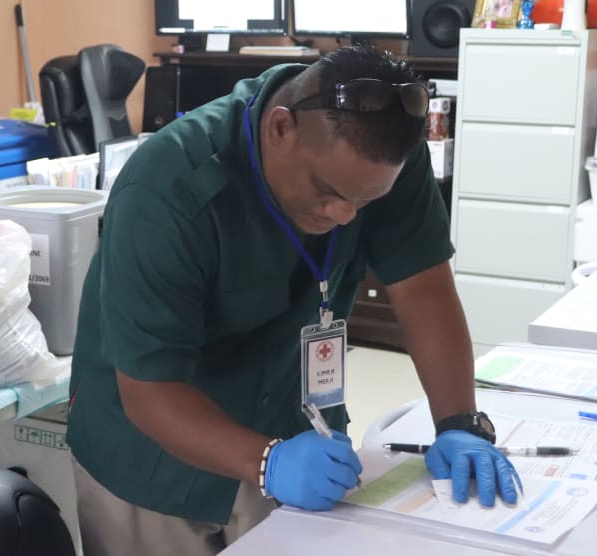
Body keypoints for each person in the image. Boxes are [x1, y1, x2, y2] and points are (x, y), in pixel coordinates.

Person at [66, 44, 521, 556]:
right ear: (280, 128)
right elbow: (150, 390)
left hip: (293, 429)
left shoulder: (383, 156)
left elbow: (424, 290)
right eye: (329, 191)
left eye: (365, 201)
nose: (345, 215)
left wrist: (459, 422)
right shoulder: (166, 188)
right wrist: (269, 462)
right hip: (153, 460)